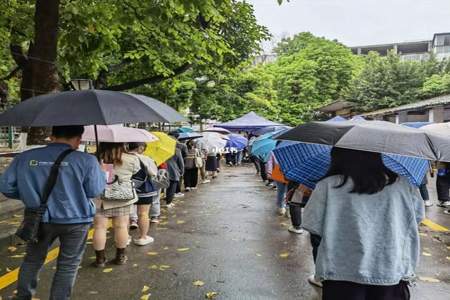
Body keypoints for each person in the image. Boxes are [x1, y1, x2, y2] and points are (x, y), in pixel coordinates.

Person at [303, 147, 423, 300]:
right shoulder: (404, 185)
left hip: (340, 269)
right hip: (390, 266)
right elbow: (416, 218)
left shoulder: (327, 185)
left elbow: (312, 224)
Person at [0, 125, 105, 300]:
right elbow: (94, 191)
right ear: (78, 139)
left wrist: (29, 195)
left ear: (52, 136)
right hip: (76, 220)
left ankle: (23, 297)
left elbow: (6, 187)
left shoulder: (25, 157)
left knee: (32, 260)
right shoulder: (87, 160)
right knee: (68, 265)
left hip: (39, 218)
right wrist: (99, 171)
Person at [93, 142, 140, 267]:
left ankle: (100, 260)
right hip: (122, 197)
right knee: (121, 227)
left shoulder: (94, 159)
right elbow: (136, 171)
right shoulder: (131, 159)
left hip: (100, 197)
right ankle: (120, 257)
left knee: (99, 228)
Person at [128, 142, 158, 246]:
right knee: (143, 214)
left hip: (126, 189)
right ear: (140, 148)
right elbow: (154, 173)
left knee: (125, 214)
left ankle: (125, 237)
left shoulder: (122, 158)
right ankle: (143, 237)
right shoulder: (146, 159)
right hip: (144, 189)